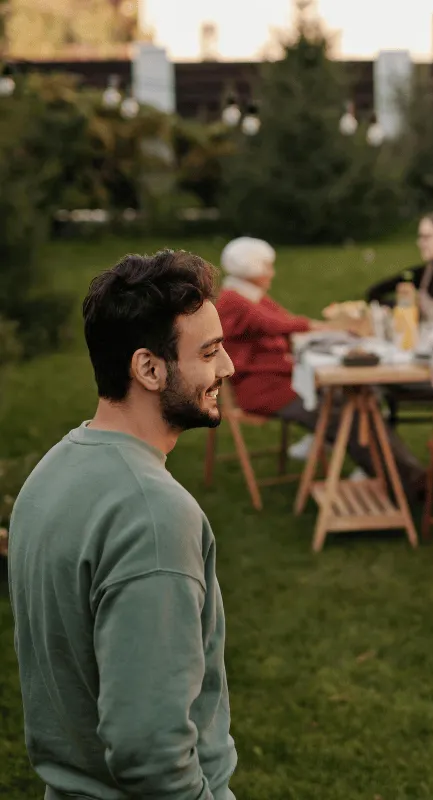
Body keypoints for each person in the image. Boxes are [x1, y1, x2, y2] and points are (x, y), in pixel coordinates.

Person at [8, 250, 238, 799]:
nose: (228, 367)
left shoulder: (52, 470)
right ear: (149, 369)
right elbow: (149, 751)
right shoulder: (155, 515)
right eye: (209, 352)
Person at [215, 237, 427, 499]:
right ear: (253, 270)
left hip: (281, 381)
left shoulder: (246, 295)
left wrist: (319, 328)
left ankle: (402, 476)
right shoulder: (236, 302)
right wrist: (328, 328)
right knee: (347, 414)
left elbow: (285, 320)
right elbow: (277, 324)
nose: (272, 272)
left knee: (355, 403)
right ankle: (405, 482)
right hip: (263, 390)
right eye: (268, 267)